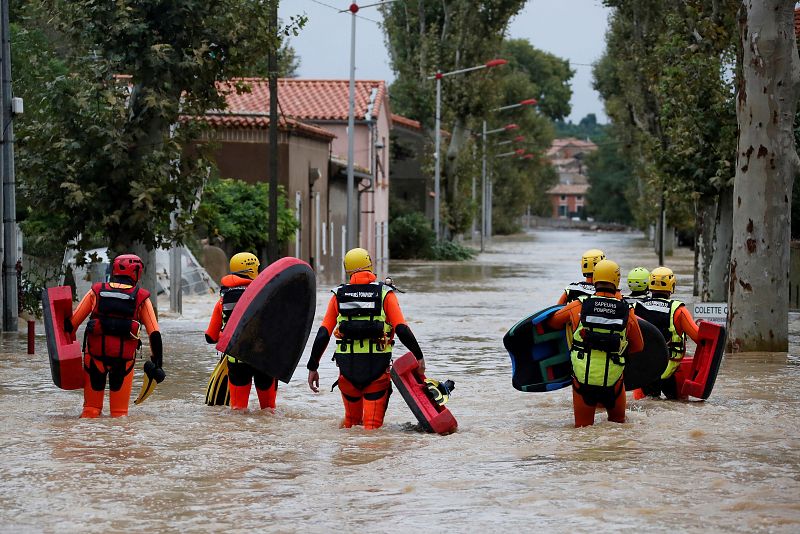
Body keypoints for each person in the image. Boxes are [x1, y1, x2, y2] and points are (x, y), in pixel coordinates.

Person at [305, 247, 426, 430]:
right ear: (370, 266)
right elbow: (401, 328)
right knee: (372, 430)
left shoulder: (338, 295)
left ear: (347, 269)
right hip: (377, 371)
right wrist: (418, 356)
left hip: (347, 371)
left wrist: (313, 366)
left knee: (351, 426)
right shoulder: (385, 294)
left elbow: (323, 334)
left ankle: (349, 456)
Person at [547, 259, 644, 427]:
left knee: (582, 432)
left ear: (595, 279)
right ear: (617, 280)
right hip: (613, 381)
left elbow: (552, 322)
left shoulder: (578, 306)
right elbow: (638, 346)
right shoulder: (627, 311)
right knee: (618, 429)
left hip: (583, 381)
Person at [65, 254, 162, 418]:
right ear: (137, 273)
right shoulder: (142, 297)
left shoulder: (95, 291)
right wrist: (157, 363)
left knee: (90, 410)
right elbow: (154, 333)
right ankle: (116, 442)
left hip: (94, 358)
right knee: (119, 415)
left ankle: (86, 439)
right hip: (123, 362)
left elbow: (71, 325)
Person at [205, 252, 278, 411]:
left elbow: (210, 337)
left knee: (238, 411)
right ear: (253, 270)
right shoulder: (267, 294)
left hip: (236, 359)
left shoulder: (224, 299)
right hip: (264, 360)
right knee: (268, 411)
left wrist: (225, 337)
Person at [633, 267, 699, 399]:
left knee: (645, 406)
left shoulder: (635, 307)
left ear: (650, 285)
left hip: (644, 372)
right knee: (679, 406)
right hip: (671, 370)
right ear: (672, 286)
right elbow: (699, 338)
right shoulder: (678, 311)